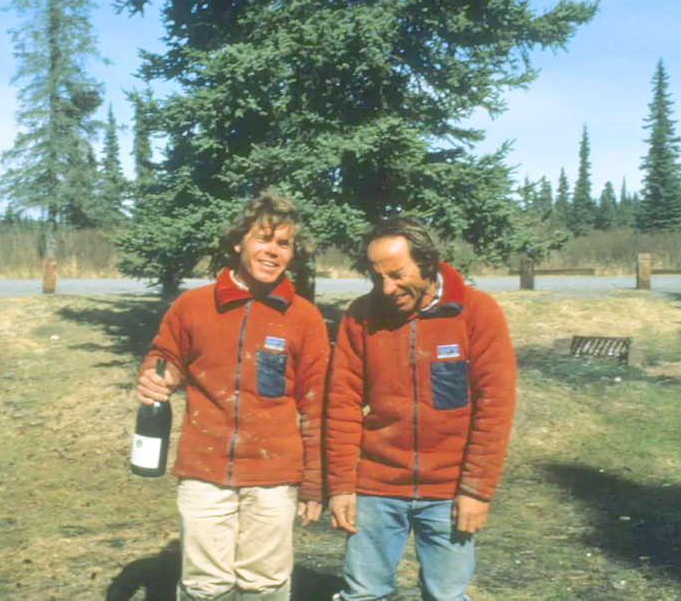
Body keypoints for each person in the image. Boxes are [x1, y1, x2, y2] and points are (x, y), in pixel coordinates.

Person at [135, 190, 331, 601]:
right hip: (204, 472)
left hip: (274, 477)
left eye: (284, 244)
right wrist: (157, 376)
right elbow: (164, 355)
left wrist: (314, 484)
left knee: (266, 584)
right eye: (263, 238)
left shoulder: (304, 318)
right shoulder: (192, 306)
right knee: (205, 587)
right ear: (239, 241)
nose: (273, 251)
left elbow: (318, 407)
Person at [325, 217, 517, 601]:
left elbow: (494, 408)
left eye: (397, 274)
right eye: (377, 276)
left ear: (427, 261)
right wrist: (342, 485)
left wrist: (476, 491)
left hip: (449, 491)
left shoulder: (477, 312)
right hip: (375, 489)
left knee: (446, 596)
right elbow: (341, 404)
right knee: (363, 593)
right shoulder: (361, 316)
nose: (387, 288)